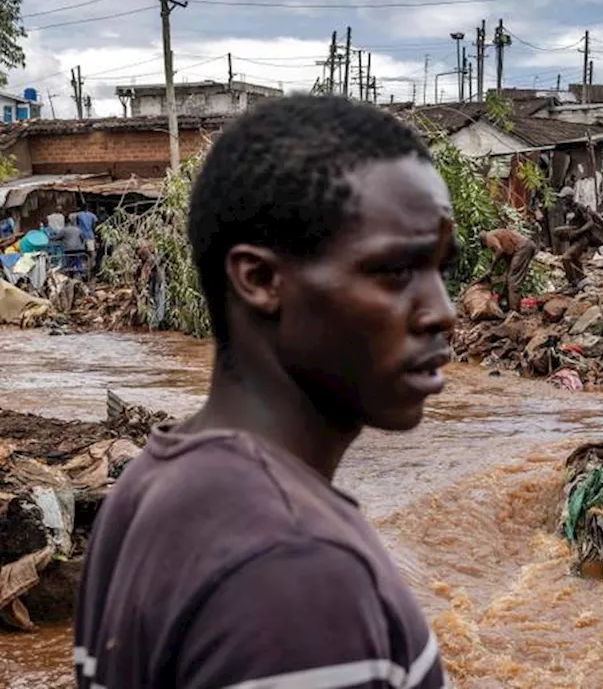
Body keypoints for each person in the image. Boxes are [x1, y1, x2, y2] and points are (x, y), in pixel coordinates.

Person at [74, 97, 452, 688]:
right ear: (259, 280)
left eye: (440, 269)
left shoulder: (147, 484)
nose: (442, 313)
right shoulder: (295, 569)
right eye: (395, 271)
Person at [554, 188, 603, 289]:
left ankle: (572, 283)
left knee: (566, 258)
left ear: (570, 198)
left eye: (565, 198)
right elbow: (570, 224)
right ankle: (582, 280)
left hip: (583, 238)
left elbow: (590, 223)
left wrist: (578, 231)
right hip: (573, 239)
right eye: (562, 199)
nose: (563, 201)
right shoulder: (566, 210)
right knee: (575, 260)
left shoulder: (579, 207)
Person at [482, 227, 536, 310]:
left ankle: (514, 311)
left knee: (514, 280)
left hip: (523, 248)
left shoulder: (488, 237)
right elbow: (507, 252)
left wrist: (491, 269)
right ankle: (507, 305)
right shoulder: (496, 233)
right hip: (524, 247)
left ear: (483, 242)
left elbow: (499, 251)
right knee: (509, 277)